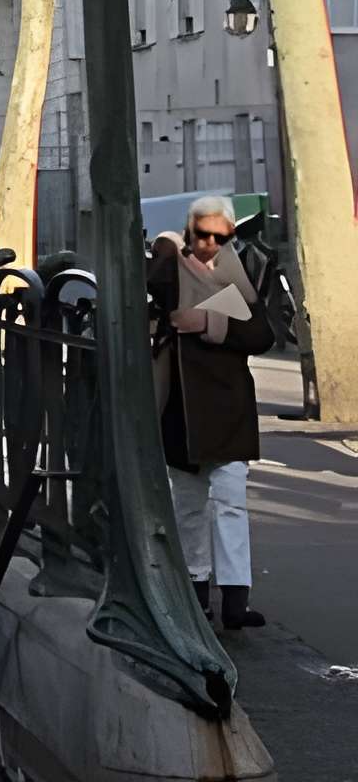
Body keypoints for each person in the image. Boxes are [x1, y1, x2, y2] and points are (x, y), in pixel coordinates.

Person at [149, 193, 274, 632]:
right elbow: (155, 286)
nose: (210, 243)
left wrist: (205, 321)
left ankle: (236, 603)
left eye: (220, 236)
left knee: (231, 505)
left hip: (227, 407)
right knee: (189, 508)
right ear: (189, 231)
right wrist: (166, 244)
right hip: (181, 408)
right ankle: (197, 596)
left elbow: (260, 333)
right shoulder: (170, 269)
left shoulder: (238, 274)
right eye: (201, 234)